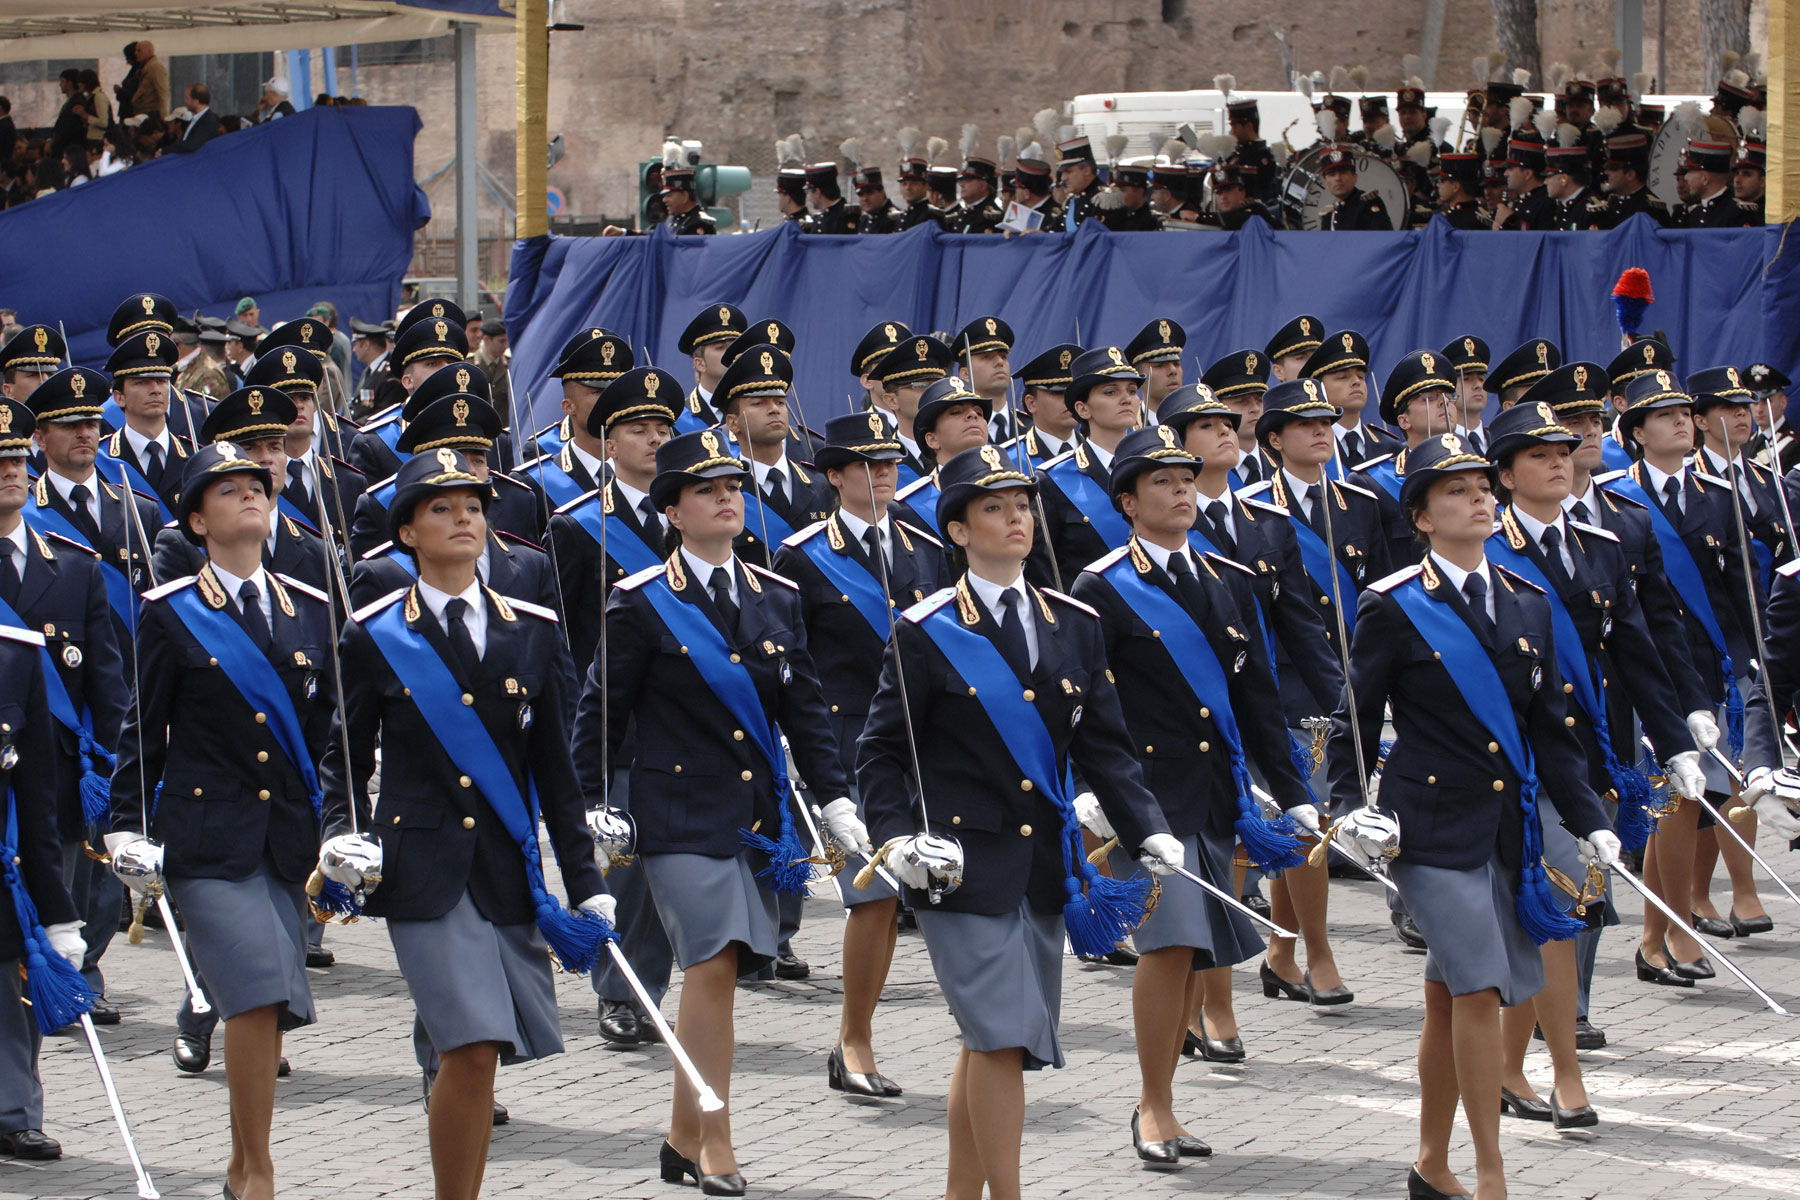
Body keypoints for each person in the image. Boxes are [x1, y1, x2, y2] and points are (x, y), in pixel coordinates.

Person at [858, 443, 1177, 1199]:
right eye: (994, 508)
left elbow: (1105, 745)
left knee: (992, 1043)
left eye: (1023, 506)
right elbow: (879, 754)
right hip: (960, 872)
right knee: (1002, 1035)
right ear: (959, 531)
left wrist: (1147, 826)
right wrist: (897, 838)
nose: (1016, 520)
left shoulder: (1072, 621)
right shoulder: (928, 629)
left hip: (1044, 873)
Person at [1327, 431, 1617, 1200]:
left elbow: (1552, 729)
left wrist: (1589, 819)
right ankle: (1490, 1172)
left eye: (1483, 487)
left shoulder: (1527, 600)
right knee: (1481, 988)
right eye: (1456, 491)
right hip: (1430, 831)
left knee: (1449, 995)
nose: (1480, 498)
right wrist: (1350, 806)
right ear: (1421, 516)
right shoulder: (1393, 606)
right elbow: (1355, 719)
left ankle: (1430, 1162)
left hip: (1509, 830)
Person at [321, 448, 610, 1199]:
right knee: (473, 1042)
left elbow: (557, 770)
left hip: (505, 869)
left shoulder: (535, 628)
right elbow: (343, 758)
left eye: (474, 508)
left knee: (487, 1054)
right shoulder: (375, 632)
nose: (464, 520)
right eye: (442, 509)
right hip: (422, 872)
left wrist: (585, 881)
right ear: (408, 533)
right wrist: (336, 835)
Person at [578, 426, 845, 1195]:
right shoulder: (640, 604)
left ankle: (678, 1136)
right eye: (706, 490)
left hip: (752, 818)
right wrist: (589, 807)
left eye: (732, 486)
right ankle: (716, 1139)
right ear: (673, 512)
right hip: (672, 814)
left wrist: (834, 799)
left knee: (719, 974)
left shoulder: (777, 597)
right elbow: (599, 713)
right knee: (713, 959)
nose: (727, 498)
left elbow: (807, 714)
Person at [1072, 423, 1312, 1155]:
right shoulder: (1100, 587)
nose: (1181, 491)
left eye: (1187, 479)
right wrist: (1084, 786)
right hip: (1140, 797)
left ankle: (1167, 1102)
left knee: (1193, 956)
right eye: (1162, 483)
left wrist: (1293, 790)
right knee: (1170, 944)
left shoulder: (1228, 581)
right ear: (1128, 501)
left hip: (1213, 795)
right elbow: (1078, 699)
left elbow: (1257, 701)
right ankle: (1150, 1106)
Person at [107, 442, 337, 1200]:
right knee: (257, 990)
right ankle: (258, 1170)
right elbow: (143, 730)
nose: (251, 498)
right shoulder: (171, 615)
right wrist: (121, 825)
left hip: (284, 844)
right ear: (198, 520)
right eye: (230, 490)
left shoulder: (309, 610)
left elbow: (331, 736)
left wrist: (341, 825)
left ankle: (244, 1164)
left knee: (267, 1002)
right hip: (205, 840)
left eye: (258, 488)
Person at [1481, 400, 1706, 1128]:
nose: (1559, 456)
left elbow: (1636, 648)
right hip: (1516, 757)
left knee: (1562, 908)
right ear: (1507, 474)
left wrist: (1672, 741)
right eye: (1539, 452)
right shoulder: (1484, 549)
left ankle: (1513, 1065)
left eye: (1564, 445)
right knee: (1557, 899)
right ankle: (1563, 1072)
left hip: (1591, 752)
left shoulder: (1601, 543)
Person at [773, 411, 949, 1097]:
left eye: (889, 463)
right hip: (843, 748)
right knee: (872, 898)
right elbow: (789, 661)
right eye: (867, 465)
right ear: (834, 476)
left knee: (940, 888)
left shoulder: (926, 548)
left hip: (919, 747)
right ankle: (854, 1038)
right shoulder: (800, 555)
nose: (883, 474)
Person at [1599, 372, 1760, 984]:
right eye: (1662, 416)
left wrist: (1748, 661)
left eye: (1685, 414)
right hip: (1647, 671)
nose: (1681, 423)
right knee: (1669, 802)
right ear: (1636, 432)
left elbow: (1737, 594)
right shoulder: (1618, 499)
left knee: (1700, 802)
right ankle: (1663, 932)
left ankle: (1664, 931)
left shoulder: (1719, 496)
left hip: (1707, 669)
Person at [554, 368, 680, 1045]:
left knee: (667, 863)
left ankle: (647, 984)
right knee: (626, 867)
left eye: (663, 428)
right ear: (607, 441)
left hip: (682, 722)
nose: (654, 439)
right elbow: (565, 635)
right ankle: (619, 991)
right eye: (638, 428)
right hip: (613, 719)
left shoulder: (686, 516)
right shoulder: (575, 527)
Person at [0, 611, 82, 1163]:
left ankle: (12, 1114)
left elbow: (36, 799)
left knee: (6, 992)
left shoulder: (13, 655)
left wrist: (57, 911)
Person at [1033, 348, 1144, 584]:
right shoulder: (1053, 480)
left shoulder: (1156, 468)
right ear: (1083, 409)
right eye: (1110, 391)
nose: (1126, 399)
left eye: (1132, 391)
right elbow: (1042, 568)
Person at [100, 329, 190, 517]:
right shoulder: (100, 461)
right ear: (119, 397)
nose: (155, 390)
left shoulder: (194, 454)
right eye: (141, 382)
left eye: (161, 381)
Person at [1007, 344, 1083, 470]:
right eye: (1058, 393)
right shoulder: (1011, 461)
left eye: (1072, 392)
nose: (1068, 399)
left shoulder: (1097, 452)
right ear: (1031, 403)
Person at [951, 317, 1016, 442]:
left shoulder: (1030, 426)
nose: (999, 362)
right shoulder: (958, 432)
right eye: (986, 357)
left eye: (1003, 356)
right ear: (965, 374)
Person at [1680, 141, 1758, 228]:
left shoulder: (1738, 212)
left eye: (1690, 171)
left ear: (1705, 179)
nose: (1686, 177)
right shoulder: (1695, 214)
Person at [1317, 147, 1393, 230]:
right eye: (1331, 174)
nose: (1338, 178)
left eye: (1343, 172)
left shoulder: (1368, 203)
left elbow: (1380, 238)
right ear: (1326, 183)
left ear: (1355, 178)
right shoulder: (1329, 214)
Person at [1124, 319, 1184, 412]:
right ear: (1139, 374)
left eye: (1177, 364)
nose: (1173, 370)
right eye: (1159, 365)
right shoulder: (1125, 425)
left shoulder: (1196, 423)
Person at [662, 159, 718, 235]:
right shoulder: (672, 219)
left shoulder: (700, 224)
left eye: (669, 195)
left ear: (685, 196)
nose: (664, 200)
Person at [165, 84, 220, 154]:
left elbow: (191, 145)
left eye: (187, 98)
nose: (185, 101)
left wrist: (164, 151)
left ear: (196, 101)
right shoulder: (197, 119)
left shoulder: (208, 121)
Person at [851, 164, 902, 234]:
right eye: (861, 195)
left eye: (869, 193)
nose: (865, 198)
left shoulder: (895, 218)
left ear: (882, 191)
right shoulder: (863, 220)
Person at [130, 42, 170, 124]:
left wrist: (163, 117)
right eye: (136, 51)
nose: (136, 53)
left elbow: (163, 92)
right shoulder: (144, 68)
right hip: (142, 114)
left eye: (139, 51)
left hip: (151, 115)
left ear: (150, 52)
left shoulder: (155, 68)